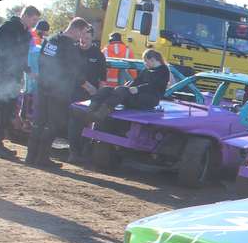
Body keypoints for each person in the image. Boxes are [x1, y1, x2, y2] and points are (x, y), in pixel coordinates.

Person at [30, 18, 92, 168]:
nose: (82, 37)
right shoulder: (70, 46)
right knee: (54, 124)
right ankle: (42, 158)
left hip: (43, 87)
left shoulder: (51, 40)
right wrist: (87, 85)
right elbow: (74, 70)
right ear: (76, 29)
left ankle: (31, 157)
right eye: (83, 32)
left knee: (39, 122)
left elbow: (41, 61)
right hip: (59, 91)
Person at [0, 5, 40, 160]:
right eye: (34, 19)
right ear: (25, 16)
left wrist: (29, 71)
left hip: (15, 77)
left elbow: (22, 58)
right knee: (1, 109)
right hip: (3, 74)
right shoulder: (8, 26)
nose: (35, 23)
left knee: (9, 110)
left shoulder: (26, 34)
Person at [86, 48, 170, 123]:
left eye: (145, 61)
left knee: (121, 91)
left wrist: (138, 89)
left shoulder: (163, 71)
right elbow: (137, 81)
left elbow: (154, 86)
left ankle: (100, 115)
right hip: (138, 95)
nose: (145, 63)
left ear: (152, 60)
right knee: (107, 89)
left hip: (150, 98)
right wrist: (129, 87)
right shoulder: (147, 70)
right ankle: (90, 110)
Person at [67, 31, 106, 163]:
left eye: (87, 38)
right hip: (74, 92)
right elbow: (71, 72)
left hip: (91, 95)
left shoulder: (98, 54)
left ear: (92, 39)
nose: (84, 41)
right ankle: (74, 153)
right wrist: (87, 85)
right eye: (82, 38)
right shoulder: (73, 50)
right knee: (75, 123)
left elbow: (103, 77)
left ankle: (84, 151)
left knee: (88, 122)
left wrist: (100, 94)